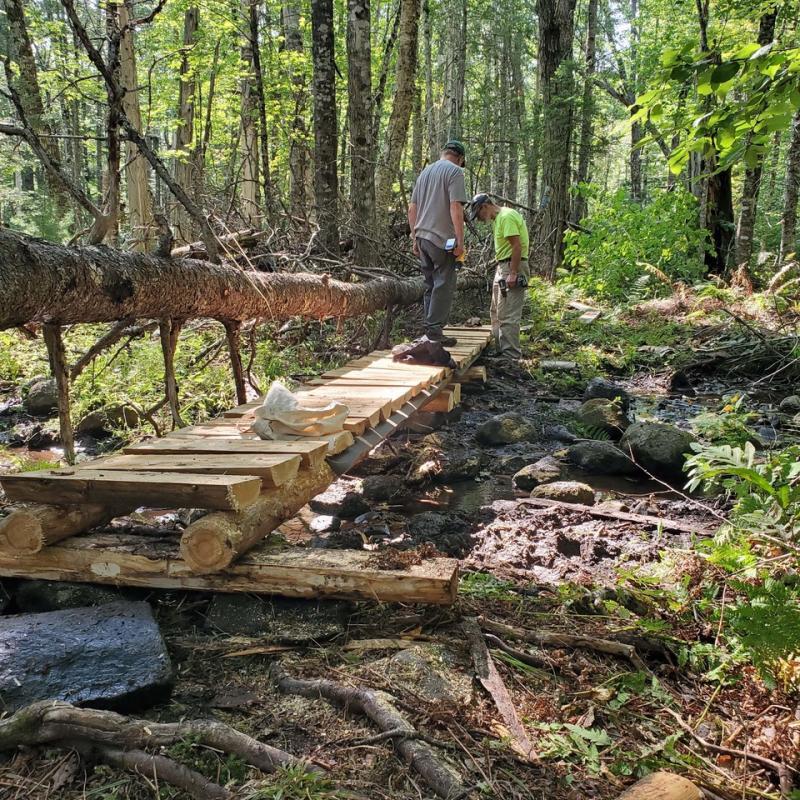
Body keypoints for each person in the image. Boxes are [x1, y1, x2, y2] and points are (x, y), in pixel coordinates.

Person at [407, 141, 468, 346]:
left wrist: (414, 236)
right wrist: (460, 240)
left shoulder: (424, 173)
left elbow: (412, 209)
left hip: (422, 237)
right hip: (441, 239)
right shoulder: (455, 172)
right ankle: (434, 332)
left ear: (444, 153)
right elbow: (455, 207)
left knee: (430, 283)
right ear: (460, 158)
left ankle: (430, 329)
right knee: (444, 283)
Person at [468, 193, 530, 361]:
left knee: (508, 316)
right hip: (503, 266)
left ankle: (511, 358)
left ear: (485, 207)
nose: (480, 219)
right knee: (496, 312)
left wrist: (513, 273)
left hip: (512, 266)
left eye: (479, 214)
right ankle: (500, 351)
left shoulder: (506, 216)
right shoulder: (498, 219)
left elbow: (517, 246)